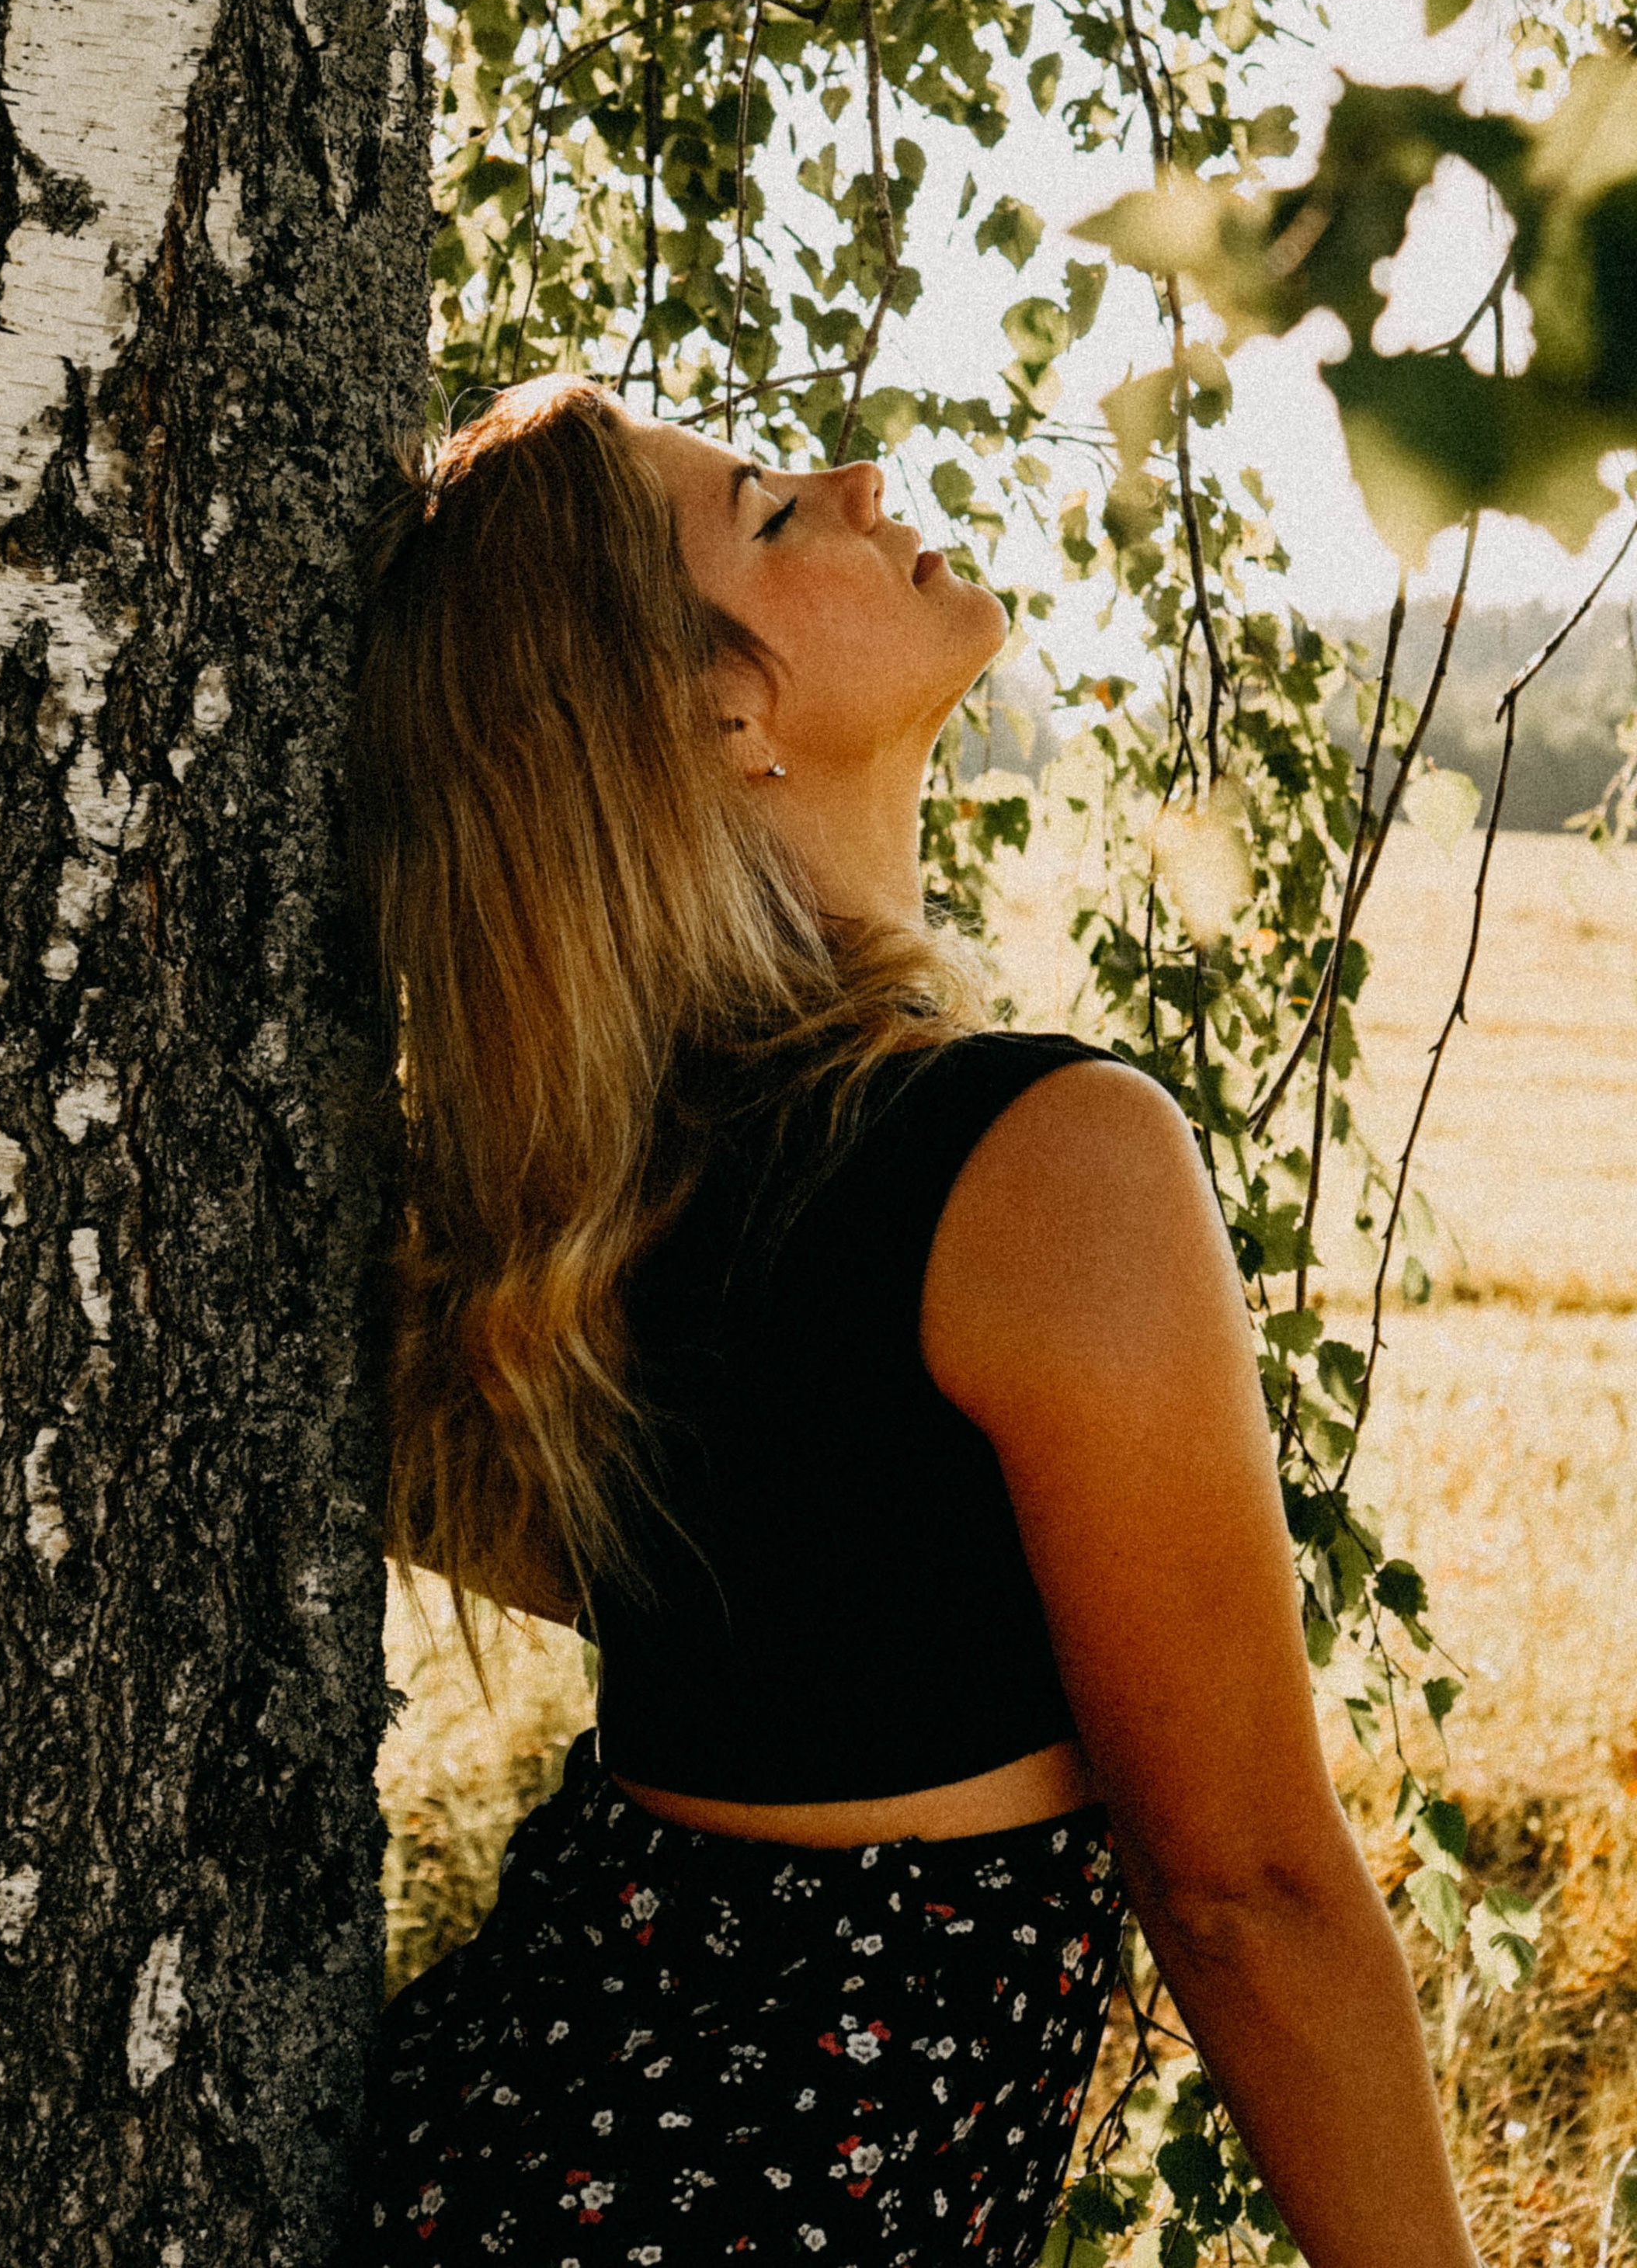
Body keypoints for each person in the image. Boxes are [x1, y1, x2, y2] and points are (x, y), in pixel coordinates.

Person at [339, 374, 1477, 2266]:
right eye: (775, 514)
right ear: (718, 716)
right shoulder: (1039, 1167)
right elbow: (1248, 1890)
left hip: (491, 2166)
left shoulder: (599, 1208)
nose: (861, 479)